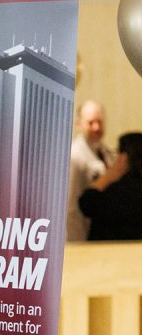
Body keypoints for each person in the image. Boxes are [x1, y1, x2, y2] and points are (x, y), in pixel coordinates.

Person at [79, 132, 142, 240]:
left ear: (124, 157)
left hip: (110, 253)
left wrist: (109, 176)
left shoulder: (119, 190)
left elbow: (87, 203)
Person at [68, 100, 115, 242]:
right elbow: (71, 205)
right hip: (80, 233)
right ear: (79, 123)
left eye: (100, 122)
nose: (96, 127)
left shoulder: (106, 152)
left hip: (101, 232)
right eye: (91, 123)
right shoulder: (74, 155)